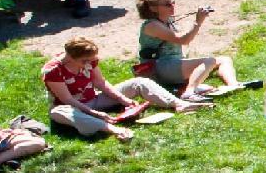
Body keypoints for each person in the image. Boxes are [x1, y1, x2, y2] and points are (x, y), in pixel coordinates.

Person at [41, 37, 205, 141]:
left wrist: (123, 99)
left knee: (139, 82)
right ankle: (112, 129)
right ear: (70, 56)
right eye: (85, 61)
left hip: (94, 98)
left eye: (92, 60)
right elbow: (67, 99)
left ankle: (178, 104)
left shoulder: (89, 61)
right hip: (71, 107)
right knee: (60, 112)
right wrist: (96, 113)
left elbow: (100, 83)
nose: (90, 64)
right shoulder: (53, 70)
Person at [136, 0, 240, 97]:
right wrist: (198, 22)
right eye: (167, 4)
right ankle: (190, 92)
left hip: (173, 64)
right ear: (153, 8)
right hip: (159, 68)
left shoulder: (168, 20)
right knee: (210, 61)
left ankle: (234, 85)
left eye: (172, 2)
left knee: (224, 60)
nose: (172, 6)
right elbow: (183, 40)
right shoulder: (152, 25)